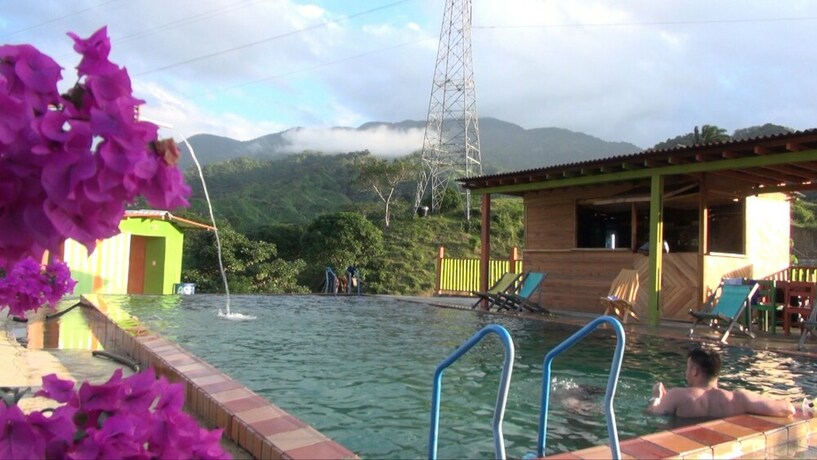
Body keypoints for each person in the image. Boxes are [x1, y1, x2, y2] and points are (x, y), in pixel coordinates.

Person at [646, 347, 795, 418]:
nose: (686, 372)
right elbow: (789, 409)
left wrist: (656, 397)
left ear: (694, 371)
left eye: (687, 368)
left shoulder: (677, 395)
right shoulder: (738, 399)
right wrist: (784, 400)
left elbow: (653, 415)